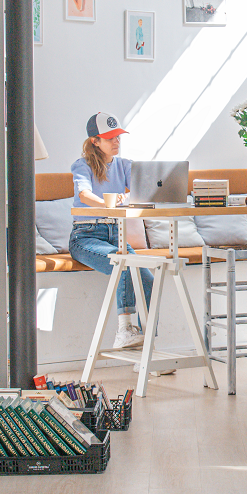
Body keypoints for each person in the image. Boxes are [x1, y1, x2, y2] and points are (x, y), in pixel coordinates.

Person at [69, 112, 155, 348]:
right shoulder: (82, 165)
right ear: (95, 141)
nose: (116, 142)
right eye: (110, 138)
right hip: (86, 236)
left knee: (147, 278)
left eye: (118, 137)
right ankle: (124, 330)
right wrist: (110, 204)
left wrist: (128, 196)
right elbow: (84, 195)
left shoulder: (124, 165)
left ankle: (148, 348)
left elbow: (142, 190)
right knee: (124, 263)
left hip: (116, 234)